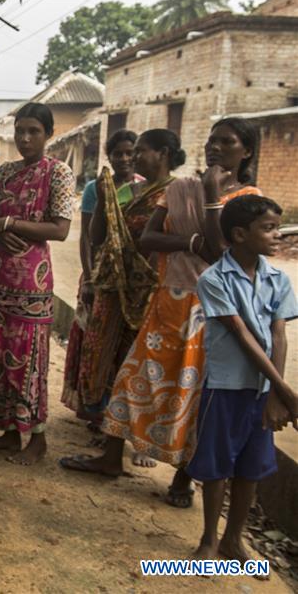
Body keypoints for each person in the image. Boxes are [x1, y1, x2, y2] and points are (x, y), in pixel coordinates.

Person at [60, 119, 261, 509]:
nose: (215, 148)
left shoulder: (249, 199)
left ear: (246, 151)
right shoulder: (179, 187)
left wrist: (211, 198)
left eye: (227, 142)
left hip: (211, 311)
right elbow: (150, 238)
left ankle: (182, 479)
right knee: (131, 379)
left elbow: (224, 254)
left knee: (194, 393)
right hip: (166, 299)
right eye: (212, 140)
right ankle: (111, 457)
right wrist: (191, 240)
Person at [190, 195, 297, 563]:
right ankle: (208, 539)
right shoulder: (213, 279)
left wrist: (274, 393)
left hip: (262, 390)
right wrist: (284, 389)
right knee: (217, 465)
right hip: (225, 387)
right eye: (267, 228)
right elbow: (240, 333)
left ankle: (233, 540)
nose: (276, 234)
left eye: (276, 227)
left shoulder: (277, 278)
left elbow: (278, 335)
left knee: (252, 467)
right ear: (239, 234)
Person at [0, 103, 76, 465]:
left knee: (30, 361)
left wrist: (10, 224)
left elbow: (60, 230)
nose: (25, 138)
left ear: (49, 134)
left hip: (32, 285)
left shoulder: (58, 173)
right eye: (20, 131)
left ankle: (38, 438)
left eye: (33, 131)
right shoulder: (6, 173)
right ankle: (8, 431)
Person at [62, 130, 159, 470]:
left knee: (138, 360)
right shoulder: (98, 188)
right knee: (104, 353)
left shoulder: (154, 190)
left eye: (132, 152)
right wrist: (89, 277)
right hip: (106, 280)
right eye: (117, 153)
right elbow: (92, 237)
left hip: (143, 286)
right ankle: (105, 421)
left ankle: (138, 438)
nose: (124, 158)